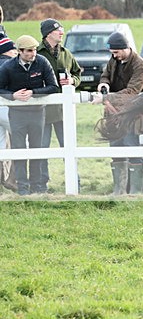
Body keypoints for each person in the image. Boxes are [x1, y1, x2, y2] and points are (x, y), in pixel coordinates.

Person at [0, 35, 59, 195]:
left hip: (37, 113)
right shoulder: (8, 67)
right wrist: (13, 96)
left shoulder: (42, 62)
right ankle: (23, 189)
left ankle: (37, 187)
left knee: (37, 149)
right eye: (28, 51)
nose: (33, 54)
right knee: (19, 151)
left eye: (34, 50)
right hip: (17, 115)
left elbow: (53, 86)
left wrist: (34, 92)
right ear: (19, 51)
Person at [94, 31, 143, 195]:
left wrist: (106, 97)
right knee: (116, 149)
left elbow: (133, 91)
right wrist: (103, 84)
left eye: (116, 52)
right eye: (112, 53)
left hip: (133, 113)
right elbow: (105, 75)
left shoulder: (140, 65)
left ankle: (135, 192)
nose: (114, 56)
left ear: (125, 48)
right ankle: (119, 191)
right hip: (114, 113)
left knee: (132, 148)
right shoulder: (114, 59)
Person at [37, 18, 82, 192]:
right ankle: (41, 185)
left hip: (64, 112)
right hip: (42, 111)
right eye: (58, 30)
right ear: (48, 33)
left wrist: (72, 80)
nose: (61, 32)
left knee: (69, 147)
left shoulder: (66, 53)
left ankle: (75, 183)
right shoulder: (37, 53)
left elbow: (78, 73)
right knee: (42, 149)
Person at [0, 35, 18, 191]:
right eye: (13, 49)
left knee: (0, 145)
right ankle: (13, 179)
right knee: (21, 141)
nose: (16, 52)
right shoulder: (9, 65)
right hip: (7, 109)